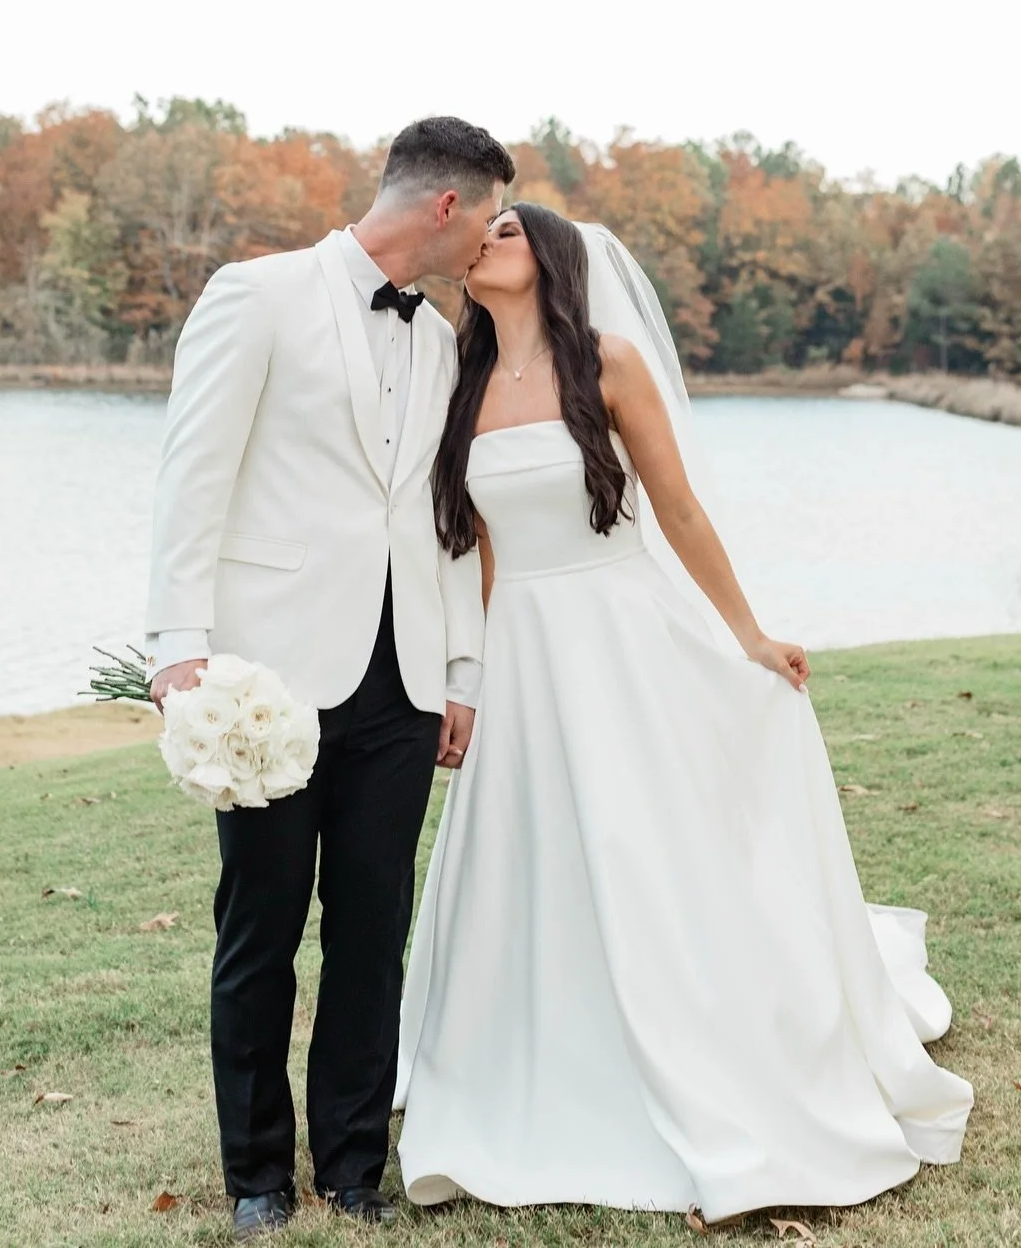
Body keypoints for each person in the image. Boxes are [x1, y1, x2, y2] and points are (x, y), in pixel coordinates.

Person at [395, 203, 974, 1222]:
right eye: (477, 231)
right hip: (526, 649)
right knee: (536, 850)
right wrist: (469, 677)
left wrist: (747, 633)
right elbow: (480, 551)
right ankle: (534, 1056)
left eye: (507, 232)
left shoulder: (607, 362)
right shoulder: (460, 376)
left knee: (639, 843)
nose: (484, 242)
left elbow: (679, 506)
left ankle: (710, 1066)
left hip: (620, 630)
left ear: (552, 262)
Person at [143, 117, 515, 1242]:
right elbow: (190, 476)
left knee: (371, 927)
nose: (495, 237)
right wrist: (177, 646)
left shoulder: (447, 339)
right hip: (268, 673)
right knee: (260, 923)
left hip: (400, 686)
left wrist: (459, 670)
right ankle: (257, 1174)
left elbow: (446, 521)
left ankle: (353, 1164)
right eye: (491, 215)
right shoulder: (257, 296)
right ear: (444, 208)